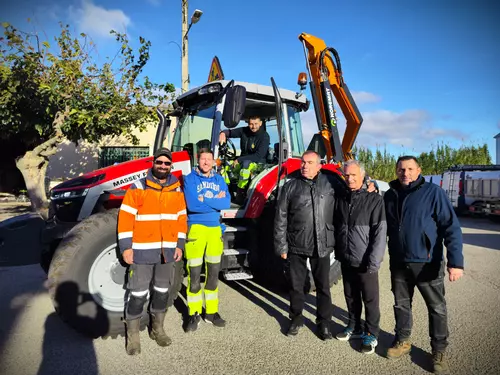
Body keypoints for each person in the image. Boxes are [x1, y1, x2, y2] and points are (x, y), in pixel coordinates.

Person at [384, 155, 464, 374]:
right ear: (396, 170)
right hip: (399, 262)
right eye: (401, 169)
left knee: (436, 308)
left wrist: (456, 262)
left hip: (427, 262)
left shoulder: (433, 193)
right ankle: (402, 340)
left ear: (419, 170)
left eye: (410, 169)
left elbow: (451, 227)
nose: (405, 173)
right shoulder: (390, 195)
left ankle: (438, 351)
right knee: (401, 304)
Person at [117, 147, 187, 355]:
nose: (163, 166)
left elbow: (181, 218)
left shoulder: (176, 189)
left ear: (171, 166)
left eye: (167, 163)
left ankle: (157, 329)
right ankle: (134, 335)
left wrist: (179, 245)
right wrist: (126, 248)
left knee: (162, 291)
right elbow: (126, 218)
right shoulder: (138, 187)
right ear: (153, 163)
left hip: (167, 252)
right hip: (142, 251)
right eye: (160, 162)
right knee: (138, 292)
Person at [274, 150, 343, 340]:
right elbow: (281, 217)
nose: (304, 166)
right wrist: (281, 246)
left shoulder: (331, 184)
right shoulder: (291, 186)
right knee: (296, 286)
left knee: (323, 287)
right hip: (297, 244)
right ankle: (296, 318)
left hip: (323, 244)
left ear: (319, 165)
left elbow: (345, 205)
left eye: (309, 163)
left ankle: (324, 323)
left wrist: (369, 186)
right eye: (303, 162)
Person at [333, 160, 387, 355]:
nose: (350, 179)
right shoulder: (342, 197)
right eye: (347, 175)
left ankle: (371, 334)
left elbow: (380, 232)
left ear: (363, 176)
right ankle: (354, 326)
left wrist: (374, 260)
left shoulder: (374, 199)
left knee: (370, 299)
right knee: (350, 295)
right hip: (347, 257)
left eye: (354, 175)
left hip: (366, 259)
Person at [182, 148, 231, 332]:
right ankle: (193, 313)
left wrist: (204, 199)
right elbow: (192, 205)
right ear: (198, 160)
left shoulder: (219, 179)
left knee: (213, 275)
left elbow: (226, 203)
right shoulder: (190, 179)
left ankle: (211, 312)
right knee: (194, 276)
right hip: (196, 229)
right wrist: (213, 201)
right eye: (203, 159)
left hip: (215, 230)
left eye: (209, 159)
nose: (206, 162)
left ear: (213, 161)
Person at [219, 115, 270, 203]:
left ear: (260, 123)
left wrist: (239, 159)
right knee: (224, 165)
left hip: (258, 164)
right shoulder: (244, 131)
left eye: (256, 124)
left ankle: (240, 193)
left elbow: (258, 156)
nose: (253, 127)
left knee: (246, 165)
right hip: (243, 161)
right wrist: (223, 133)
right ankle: (228, 191)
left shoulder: (265, 136)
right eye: (251, 124)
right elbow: (231, 133)